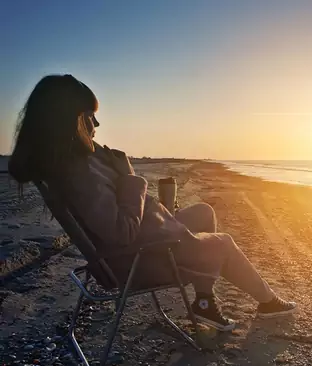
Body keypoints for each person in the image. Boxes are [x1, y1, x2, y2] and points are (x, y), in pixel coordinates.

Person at [8, 74, 297, 331]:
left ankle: (205, 303)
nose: (96, 124)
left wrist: (155, 208)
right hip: (142, 258)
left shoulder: (76, 164)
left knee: (202, 212)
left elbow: (117, 214)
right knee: (223, 242)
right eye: (89, 116)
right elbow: (122, 233)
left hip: (147, 244)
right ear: (70, 120)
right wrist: (130, 176)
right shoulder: (79, 172)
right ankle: (268, 303)